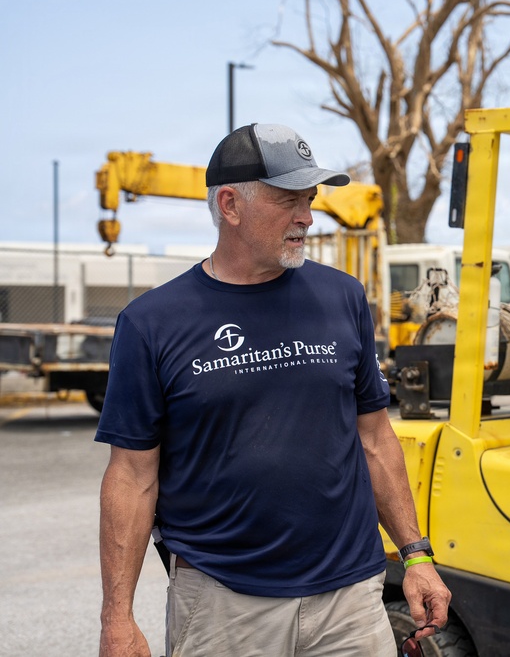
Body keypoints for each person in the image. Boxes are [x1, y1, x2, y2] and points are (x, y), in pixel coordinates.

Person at [96, 123, 450, 657]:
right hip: (223, 604)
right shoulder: (152, 323)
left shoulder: (343, 298)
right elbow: (131, 476)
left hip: (350, 603)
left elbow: (375, 439)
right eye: (289, 202)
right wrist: (116, 619)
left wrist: (416, 556)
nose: (307, 218)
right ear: (232, 205)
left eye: (309, 200)